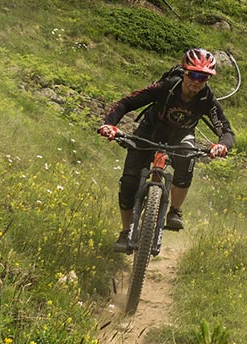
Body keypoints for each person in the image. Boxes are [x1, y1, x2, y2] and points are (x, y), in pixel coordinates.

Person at [97, 48, 234, 252]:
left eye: (203, 77)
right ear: (185, 72)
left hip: (181, 135)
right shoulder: (166, 86)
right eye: (193, 74)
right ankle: (126, 232)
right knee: (129, 182)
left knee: (187, 158)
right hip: (149, 130)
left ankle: (175, 212)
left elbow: (225, 129)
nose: (197, 81)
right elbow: (127, 103)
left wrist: (223, 145)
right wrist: (110, 124)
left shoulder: (206, 99)